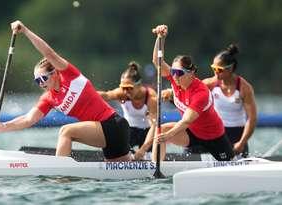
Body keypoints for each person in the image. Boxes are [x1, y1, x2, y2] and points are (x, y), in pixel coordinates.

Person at [0, 20, 131, 161]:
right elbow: (28, 119)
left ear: (55, 73)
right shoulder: (48, 99)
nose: (41, 83)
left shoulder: (70, 75)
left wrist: (25, 31)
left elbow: (49, 54)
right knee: (117, 178)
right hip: (102, 134)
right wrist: (3, 127)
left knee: (66, 131)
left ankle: (59, 177)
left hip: (114, 125)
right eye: (37, 81)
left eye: (43, 78)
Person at [151, 24, 234, 161]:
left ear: (191, 73)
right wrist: (160, 38)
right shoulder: (174, 78)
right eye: (173, 72)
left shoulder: (200, 92)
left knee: (229, 163)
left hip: (214, 137)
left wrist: (169, 135)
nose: (175, 76)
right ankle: (155, 170)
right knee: (161, 130)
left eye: (179, 73)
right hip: (192, 134)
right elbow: (156, 61)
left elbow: (186, 121)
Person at [202, 44, 257, 157]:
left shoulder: (244, 88)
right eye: (213, 68)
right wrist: (170, 93)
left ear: (230, 68)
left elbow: (252, 118)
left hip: (238, 135)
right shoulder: (210, 84)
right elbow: (189, 91)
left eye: (219, 70)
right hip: (218, 133)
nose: (215, 72)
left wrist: (241, 142)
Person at [98, 61, 157, 160]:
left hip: (148, 133)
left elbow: (154, 127)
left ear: (139, 85)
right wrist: (84, 94)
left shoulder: (151, 97)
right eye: (123, 88)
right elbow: (104, 95)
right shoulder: (121, 93)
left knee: (155, 142)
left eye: (129, 88)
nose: (125, 92)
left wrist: (142, 150)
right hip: (129, 131)